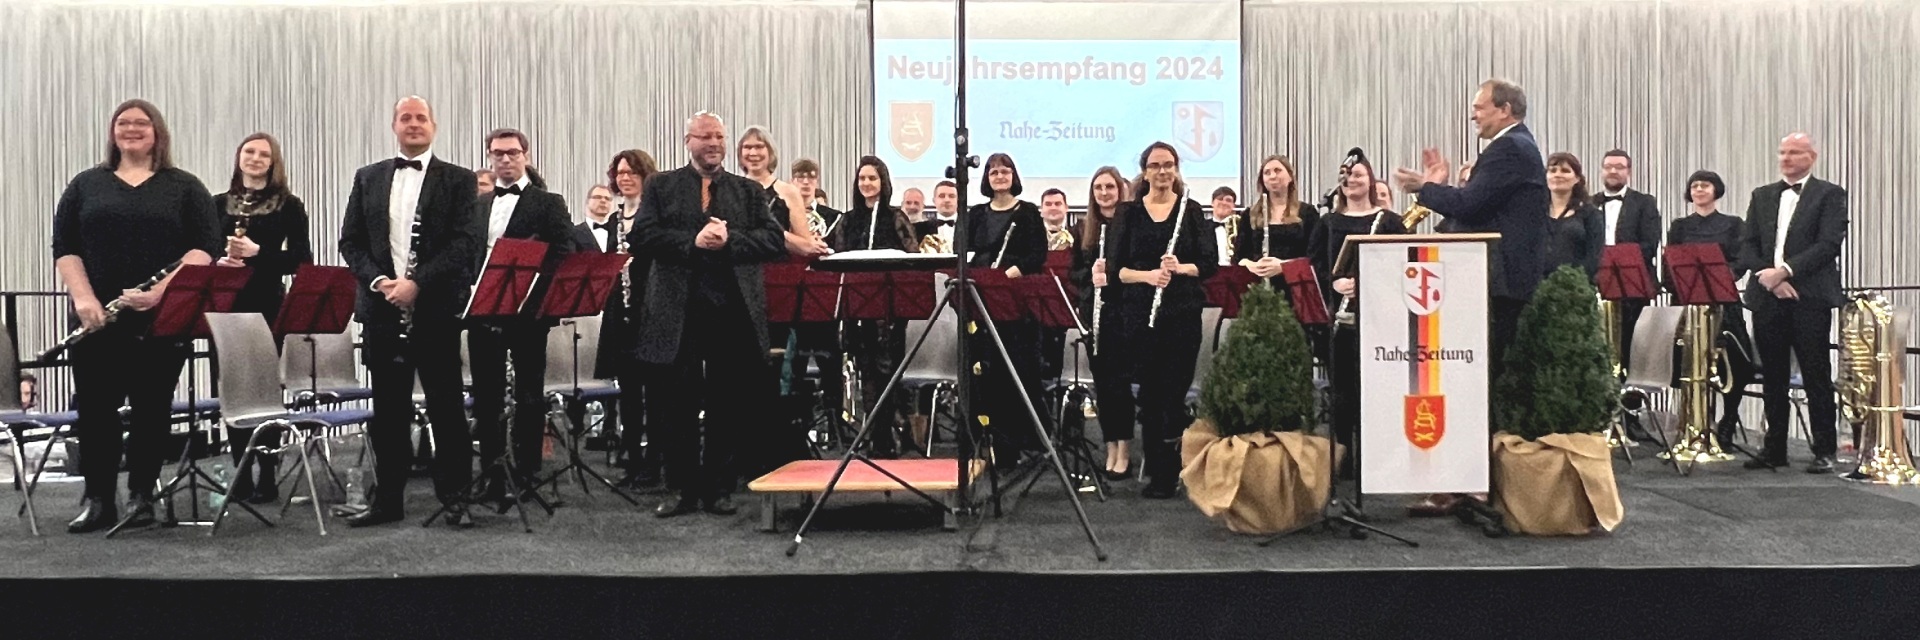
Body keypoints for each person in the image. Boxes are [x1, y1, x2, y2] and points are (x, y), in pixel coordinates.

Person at [53, 98, 222, 534]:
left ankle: (142, 496)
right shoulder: (86, 184)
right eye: (123, 123)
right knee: (95, 409)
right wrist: (84, 299)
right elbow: (65, 248)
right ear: (113, 133)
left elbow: (204, 247)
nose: (131, 129)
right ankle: (98, 499)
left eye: (141, 123)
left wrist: (159, 292)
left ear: (156, 132)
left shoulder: (184, 186)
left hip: (160, 316)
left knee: (151, 409)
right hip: (98, 319)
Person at [1392, 78, 1549, 516]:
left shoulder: (1509, 148)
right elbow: (1468, 214)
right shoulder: (1512, 147)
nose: (1473, 114)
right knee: (1473, 384)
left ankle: (1473, 484)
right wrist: (1444, 188)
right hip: (1489, 280)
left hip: (1497, 283)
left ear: (1504, 108)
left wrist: (1424, 187)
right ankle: (1463, 482)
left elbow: (1470, 206)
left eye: (1479, 107)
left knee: (1479, 385)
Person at [633, 111, 788, 517]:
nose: (714, 143)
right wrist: (693, 242)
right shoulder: (661, 186)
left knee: (727, 403)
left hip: (731, 312)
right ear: (688, 141)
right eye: (705, 137)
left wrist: (729, 240)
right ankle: (682, 489)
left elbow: (772, 240)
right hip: (676, 312)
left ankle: (719, 487)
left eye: (719, 137)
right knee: (675, 406)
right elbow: (643, 236)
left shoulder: (748, 191)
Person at [336, 96, 481, 528]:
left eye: (421, 118)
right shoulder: (369, 177)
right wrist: (381, 283)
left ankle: (456, 498)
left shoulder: (457, 180)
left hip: (434, 309)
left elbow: (464, 243)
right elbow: (351, 242)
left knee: (446, 408)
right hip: (383, 311)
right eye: (405, 118)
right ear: (393, 126)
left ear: (433, 126)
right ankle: (387, 501)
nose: (413, 124)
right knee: (389, 413)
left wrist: (418, 284)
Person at [464, 128, 574, 518]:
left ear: (525, 155)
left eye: (512, 153)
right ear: (490, 158)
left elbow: (563, 253)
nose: (504, 160)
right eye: (497, 154)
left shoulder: (548, 202)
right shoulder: (478, 205)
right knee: (487, 397)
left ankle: (527, 473)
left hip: (528, 314)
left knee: (529, 395)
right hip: (482, 311)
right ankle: (493, 474)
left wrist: (530, 286)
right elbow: (468, 256)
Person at [1105, 143, 1216, 498]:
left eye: (1169, 165)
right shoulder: (1128, 214)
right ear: (1145, 171)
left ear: (1176, 169)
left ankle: (1170, 471)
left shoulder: (1192, 211)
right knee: (1150, 395)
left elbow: (1209, 263)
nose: (1163, 172)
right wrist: (1149, 276)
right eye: (1155, 166)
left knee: (1173, 393)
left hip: (1182, 312)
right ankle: (1156, 468)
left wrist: (1179, 268)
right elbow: (1115, 270)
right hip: (1139, 312)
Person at [213, 131, 315, 505]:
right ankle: (240, 471)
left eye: (263, 154)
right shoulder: (216, 204)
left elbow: (302, 262)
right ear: (239, 158)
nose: (255, 158)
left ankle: (268, 473)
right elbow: (202, 253)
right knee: (231, 389)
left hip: (268, 305)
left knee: (264, 389)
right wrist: (219, 261)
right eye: (249, 152)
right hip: (224, 306)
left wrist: (259, 252)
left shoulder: (288, 205)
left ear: (273, 163)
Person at [1741, 133, 1848, 473]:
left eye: (1794, 152)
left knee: (1815, 372)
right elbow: (1747, 245)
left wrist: (1786, 273)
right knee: (1772, 374)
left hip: (1809, 296)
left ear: (1811, 157)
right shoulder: (1762, 195)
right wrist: (1769, 278)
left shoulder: (1829, 194)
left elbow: (1829, 243)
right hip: (1768, 296)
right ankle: (1774, 449)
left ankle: (1824, 450)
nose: (1786, 158)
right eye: (1782, 152)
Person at [1308, 151, 1406, 475]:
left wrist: (1371, 284)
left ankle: (1377, 455)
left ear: (1372, 181)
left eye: (1360, 175)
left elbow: (1407, 265)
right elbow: (1314, 268)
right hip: (1338, 320)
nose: (1352, 180)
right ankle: (1343, 455)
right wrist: (1335, 284)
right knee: (1341, 392)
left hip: (1380, 320)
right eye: (1347, 175)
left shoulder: (1390, 222)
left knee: (1378, 389)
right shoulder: (1328, 223)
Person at [966, 153, 1049, 471]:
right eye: (993, 171)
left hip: (1015, 305)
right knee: (983, 378)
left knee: (1013, 376)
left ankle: (1012, 446)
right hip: (981, 301)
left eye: (1005, 171)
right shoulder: (976, 215)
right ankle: (982, 443)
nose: (999, 176)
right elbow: (968, 253)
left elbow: (1038, 253)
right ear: (986, 178)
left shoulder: (1027, 213)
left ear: (1014, 176)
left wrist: (1014, 271)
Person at [1665, 170, 1754, 446]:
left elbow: (1741, 261)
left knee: (1735, 364)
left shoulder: (1733, 224)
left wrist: (1725, 276)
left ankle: (1727, 421)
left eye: (1705, 185)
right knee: (1686, 364)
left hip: (1723, 304)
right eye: (1694, 186)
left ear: (1716, 190)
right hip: (1687, 304)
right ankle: (1692, 422)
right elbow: (1670, 262)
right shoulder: (1680, 226)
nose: (1699, 190)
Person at [835, 156, 916, 458]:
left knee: (888, 371)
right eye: (862, 179)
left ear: (883, 182)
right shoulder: (848, 219)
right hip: (859, 307)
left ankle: (891, 432)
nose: (866, 184)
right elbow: (838, 259)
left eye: (872, 178)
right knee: (866, 370)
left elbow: (913, 258)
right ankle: (876, 435)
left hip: (891, 309)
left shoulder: (895, 217)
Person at [592, 150, 661, 487]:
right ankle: (632, 458)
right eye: (619, 173)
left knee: (656, 394)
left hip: (651, 311)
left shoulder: (654, 214)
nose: (625, 178)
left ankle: (654, 462)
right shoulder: (615, 219)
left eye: (632, 172)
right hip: (622, 313)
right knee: (629, 394)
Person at [1073, 166, 1137, 479]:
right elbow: (1076, 274)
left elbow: (1134, 269)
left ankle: (1124, 448)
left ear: (1119, 190)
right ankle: (1109, 444)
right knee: (1103, 387)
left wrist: (1108, 277)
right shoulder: (1085, 229)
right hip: (1094, 317)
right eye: (1098, 187)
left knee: (1119, 385)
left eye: (1109, 187)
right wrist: (1091, 278)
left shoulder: (1130, 226)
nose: (1104, 193)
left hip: (1121, 315)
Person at [1595, 149, 1662, 442]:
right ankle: (1599, 414)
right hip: (1595, 286)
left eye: (1619, 167)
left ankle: (1630, 416)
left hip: (1632, 287)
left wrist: (1618, 258)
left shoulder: (1645, 203)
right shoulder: (1589, 203)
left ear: (1629, 172)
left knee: (1630, 352)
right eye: (1608, 167)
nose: (1613, 172)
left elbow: (1650, 242)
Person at [739, 127, 825, 259]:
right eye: (747, 147)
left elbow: (806, 245)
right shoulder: (732, 189)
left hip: (779, 270)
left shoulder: (788, 192)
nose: (753, 152)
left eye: (759, 146)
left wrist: (772, 234)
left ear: (770, 152)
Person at [1237, 155, 1319, 290]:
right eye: (1267, 173)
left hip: (1295, 288)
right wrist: (1252, 265)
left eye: (1277, 170)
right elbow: (1239, 257)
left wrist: (1283, 266)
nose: (1272, 176)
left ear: (1290, 177)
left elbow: (1314, 258)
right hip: (1258, 289)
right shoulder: (1249, 214)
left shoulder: (1307, 213)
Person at [1542, 152, 1604, 279]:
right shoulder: (1535, 212)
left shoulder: (1590, 214)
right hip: (1536, 288)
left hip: (1576, 288)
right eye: (1552, 170)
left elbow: (1594, 257)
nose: (1558, 175)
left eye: (1565, 171)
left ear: (1577, 179)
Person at [912, 179, 960, 248]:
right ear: (934, 200)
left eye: (951, 196)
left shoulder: (970, 228)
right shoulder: (917, 229)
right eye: (942, 196)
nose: (947, 200)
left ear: (958, 200)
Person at [1205, 186, 1238, 265]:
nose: (1224, 203)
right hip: (1209, 273)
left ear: (1233, 206)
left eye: (1228, 200)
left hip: (1236, 272)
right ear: (1212, 203)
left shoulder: (1241, 227)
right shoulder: (1202, 227)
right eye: (1220, 199)